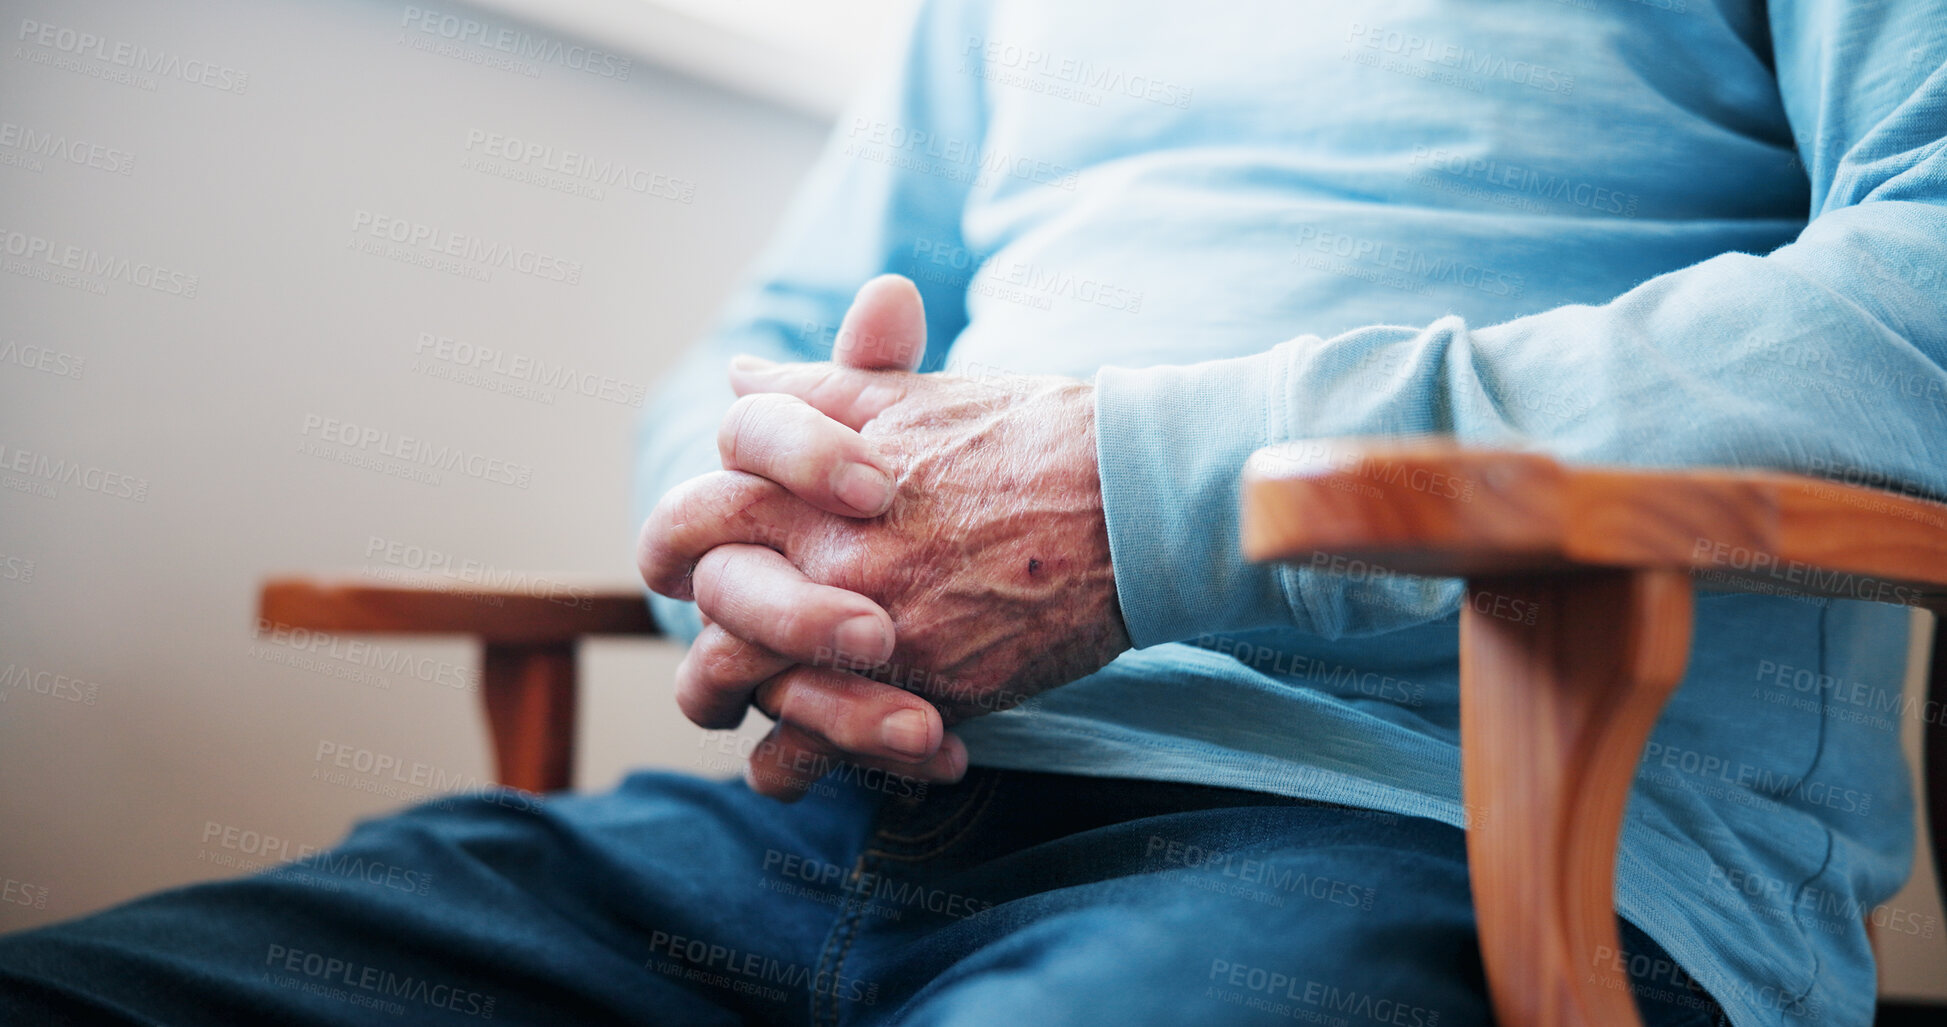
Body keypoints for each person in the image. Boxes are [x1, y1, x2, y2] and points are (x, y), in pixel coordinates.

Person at [5, 1, 1944, 1023]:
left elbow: (1919, 287)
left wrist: (1138, 499)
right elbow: (760, 352)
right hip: (807, 822)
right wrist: (783, 577)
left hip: (1421, 848)